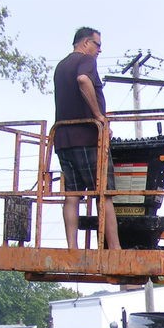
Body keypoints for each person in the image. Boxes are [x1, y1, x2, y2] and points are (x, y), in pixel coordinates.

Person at [53, 26, 121, 250]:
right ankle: (115, 250)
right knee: (104, 194)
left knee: (72, 195)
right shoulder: (86, 61)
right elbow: (83, 80)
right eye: (97, 44)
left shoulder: (61, 66)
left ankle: (72, 248)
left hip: (63, 138)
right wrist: (99, 117)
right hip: (88, 138)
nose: (99, 50)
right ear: (85, 43)